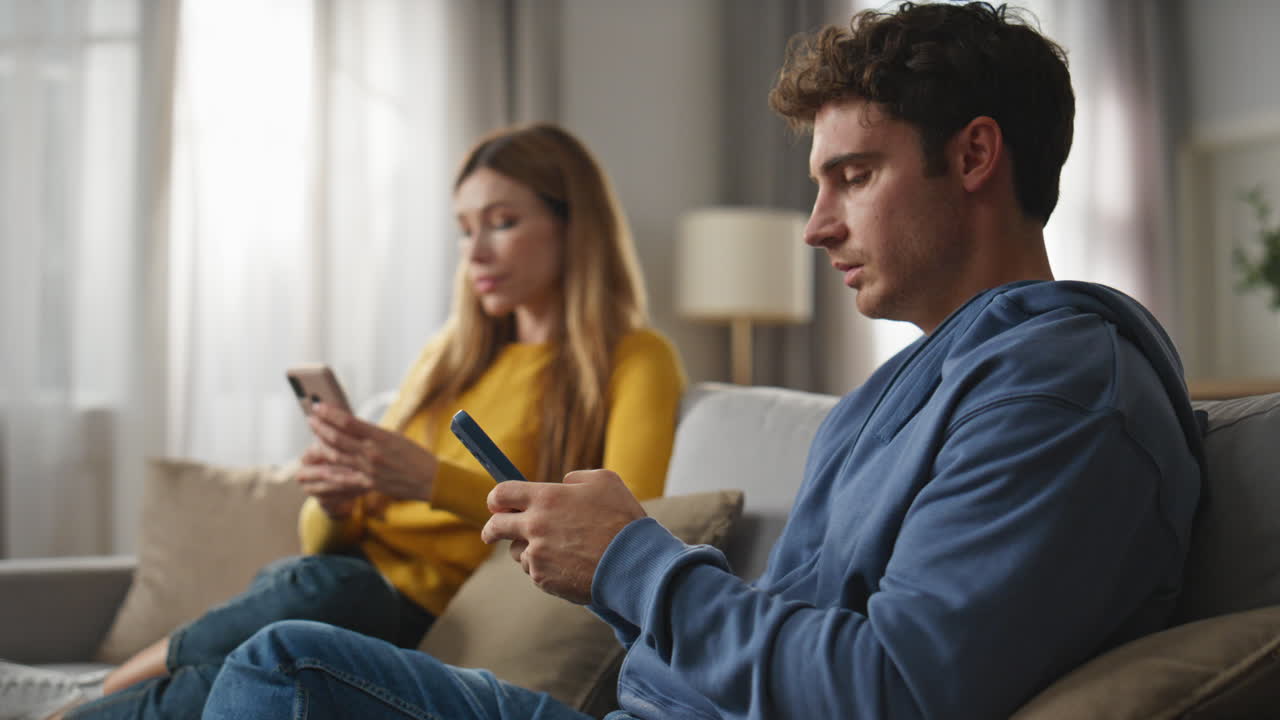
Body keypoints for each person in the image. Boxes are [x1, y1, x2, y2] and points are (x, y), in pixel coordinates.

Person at [200, 3, 1205, 719]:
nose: (814, 228)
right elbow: (791, 624)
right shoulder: (898, 389)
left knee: (285, 667)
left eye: (852, 176)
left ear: (975, 157)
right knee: (285, 657)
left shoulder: (1060, 390)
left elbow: (891, 691)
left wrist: (632, 562)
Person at [49, 123, 686, 720]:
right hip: (330, 582)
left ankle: (80, 699)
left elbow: (624, 524)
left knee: (262, 653)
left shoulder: (634, 360)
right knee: (335, 589)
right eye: (464, 230)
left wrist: (431, 481)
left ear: (573, 226)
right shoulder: (450, 357)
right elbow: (323, 541)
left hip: (403, 609)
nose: (477, 252)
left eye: (503, 223)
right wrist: (337, 499)